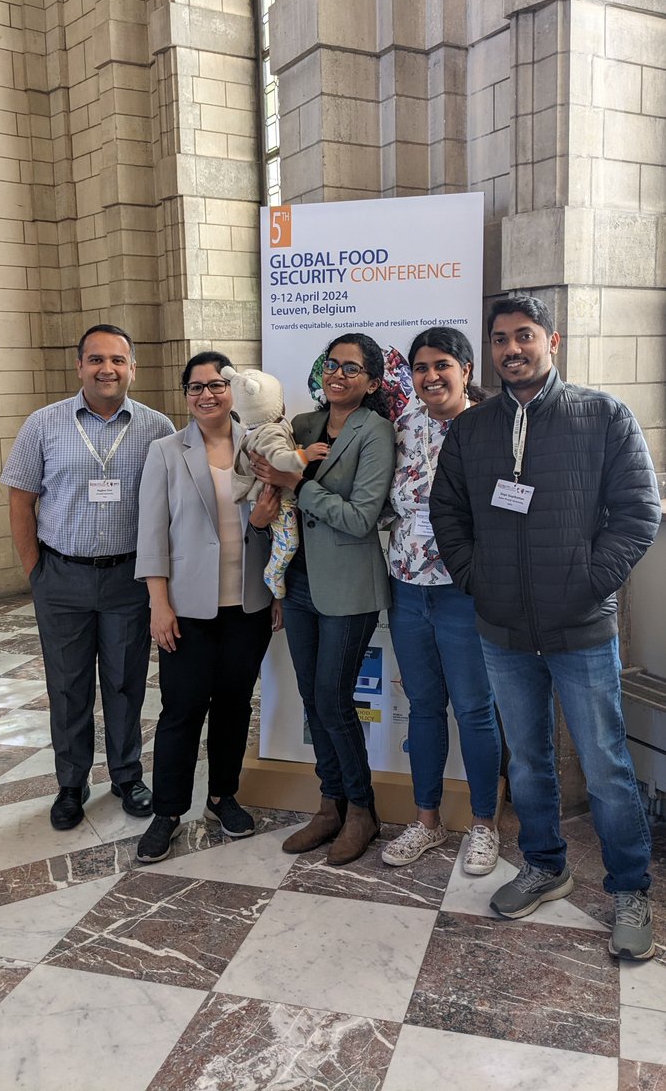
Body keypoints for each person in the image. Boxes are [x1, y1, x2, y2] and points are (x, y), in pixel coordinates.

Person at [430, 294, 661, 962]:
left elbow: (637, 512)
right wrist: (479, 577)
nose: (512, 349)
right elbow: (447, 512)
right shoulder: (471, 431)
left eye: (524, 336)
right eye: (500, 339)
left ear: (550, 341)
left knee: (605, 768)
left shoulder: (602, 415)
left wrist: (587, 580)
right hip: (501, 629)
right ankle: (543, 865)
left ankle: (629, 889)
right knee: (527, 763)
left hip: (580, 627)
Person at [1, 325, 174, 830]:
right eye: (96, 359)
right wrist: (36, 571)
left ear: (132, 368)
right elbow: (20, 498)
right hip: (63, 577)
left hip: (128, 579)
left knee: (125, 683)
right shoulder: (44, 424)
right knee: (68, 686)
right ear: (79, 366)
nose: (107, 369)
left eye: (118, 360)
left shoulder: (156, 428)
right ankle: (71, 784)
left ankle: (126, 774)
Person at [251, 333, 395, 866]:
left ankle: (364, 810)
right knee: (314, 699)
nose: (337, 374)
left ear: (372, 382)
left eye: (351, 369)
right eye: (331, 365)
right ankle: (330, 804)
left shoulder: (376, 432)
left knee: (334, 700)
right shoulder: (305, 427)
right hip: (301, 583)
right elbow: (263, 467)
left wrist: (299, 481)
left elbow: (361, 518)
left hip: (350, 587)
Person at [134, 351, 282, 863]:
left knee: (235, 704)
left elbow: (280, 526)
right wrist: (158, 602)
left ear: (234, 390)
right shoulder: (167, 451)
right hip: (187, 607)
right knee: (181, 711)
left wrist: (275, 592)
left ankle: (223, 796)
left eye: (216, 385)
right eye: (194, 387)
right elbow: (151, 532)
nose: (206, 395)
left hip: (249, 603)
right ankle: (168, 811)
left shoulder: (261, 444)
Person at [381, 328, 501, 873]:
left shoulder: (493, 427)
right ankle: (425, 821)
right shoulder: (401, 427)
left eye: (443, 365)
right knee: (424, 708)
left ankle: (483, 825)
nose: (431, 376)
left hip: (465, 592)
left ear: (467, 370)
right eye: (421, 367)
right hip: (407, 589)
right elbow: (387, 504)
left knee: (476, 711)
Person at [220, 365, 329, 598]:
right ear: (277, 405)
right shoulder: (271, 433)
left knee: (281, 539)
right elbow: (280, 459)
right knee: (289, 542)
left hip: (265, 496)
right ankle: (273, 573)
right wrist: (304, 455)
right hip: (278, 500)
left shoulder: (256, 430)